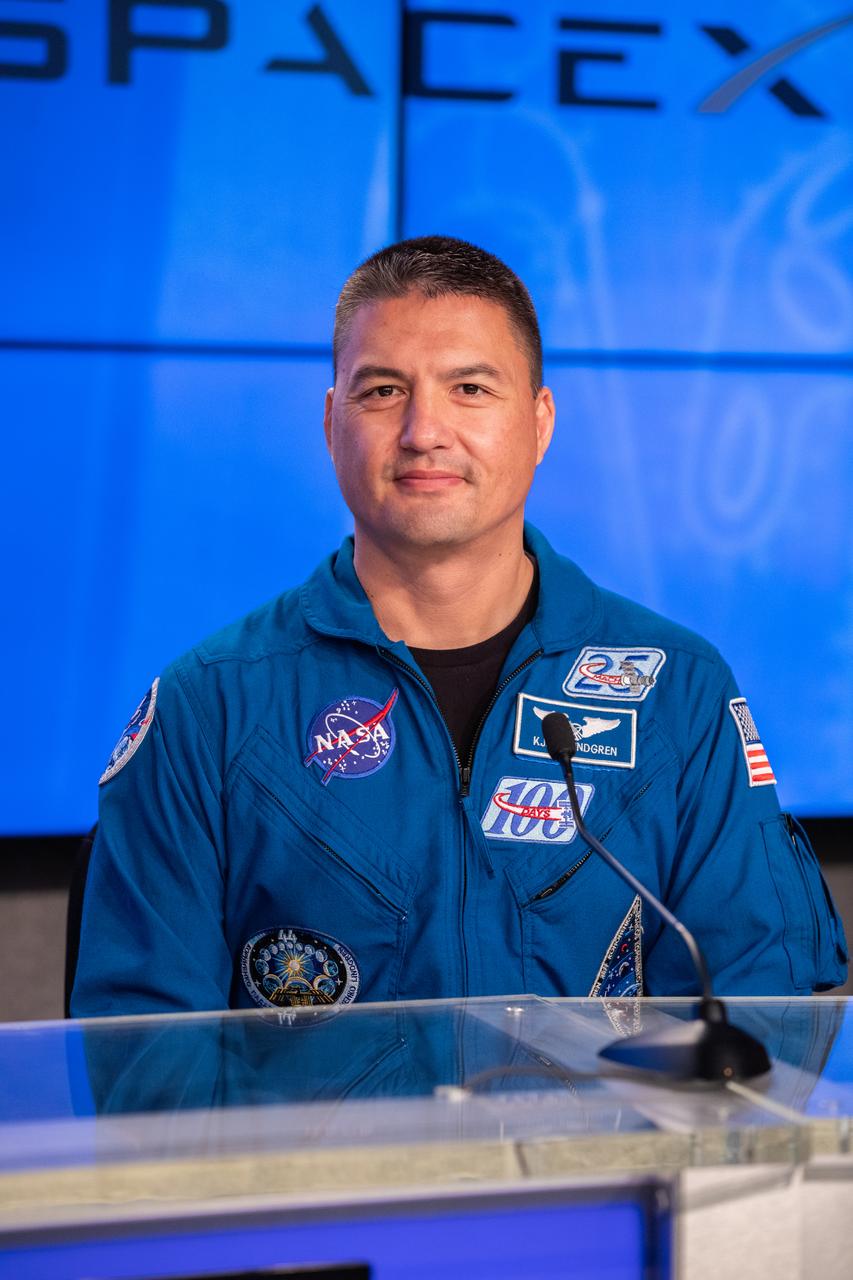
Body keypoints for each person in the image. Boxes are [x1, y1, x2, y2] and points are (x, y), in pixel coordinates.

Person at [71, 236, 847, 1017]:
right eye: (381, 392)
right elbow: (142, 1062)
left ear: (539, 422)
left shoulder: (677, 689)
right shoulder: (209, 709)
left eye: (470, 389)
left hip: (603, 1144)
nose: (423, 431)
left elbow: (757, 1018)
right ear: (331, 421)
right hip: (316, 1148)